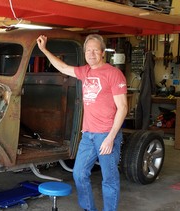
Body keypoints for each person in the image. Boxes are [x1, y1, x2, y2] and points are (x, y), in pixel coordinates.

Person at [37, 34, 128, 211]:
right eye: (88, 50)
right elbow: (62, 67)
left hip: (106, 135)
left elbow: (123, 107)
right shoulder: (85, 71)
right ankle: (88, 208)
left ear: (102, 53)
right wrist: (44, 50)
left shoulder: (113, 74)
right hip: (88, 135)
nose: (91, 53)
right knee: (79, 174)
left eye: (95, 50)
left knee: (109, 179)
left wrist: (110, 138)